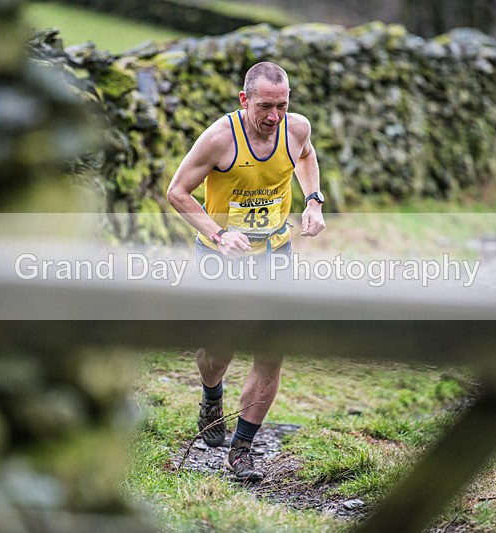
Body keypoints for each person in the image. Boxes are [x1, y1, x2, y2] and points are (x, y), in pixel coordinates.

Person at [166, 61, 325, 482]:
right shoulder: (219, 139)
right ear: (244, 100)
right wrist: (219, 235)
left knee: (271, 351)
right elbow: (177, 192)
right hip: (221, 257)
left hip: (276, 252)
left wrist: (313, 200)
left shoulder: (296, 129)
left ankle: (242, 448)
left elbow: (306, 155)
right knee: (219, 352)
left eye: (282, 105)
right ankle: (211, 395)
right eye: (265, 106)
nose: (275, 116)